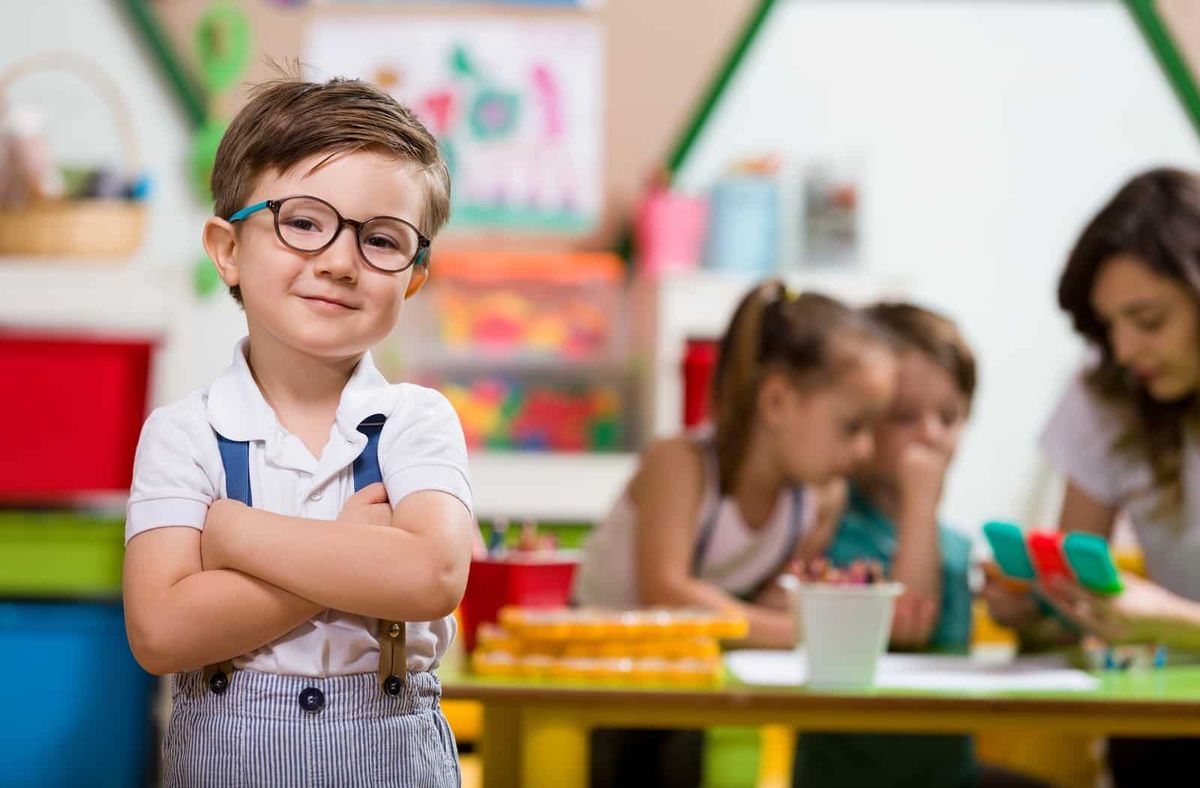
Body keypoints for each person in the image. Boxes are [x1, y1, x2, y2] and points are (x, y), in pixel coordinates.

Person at [121, 76, 475, 787]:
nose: (341, 261)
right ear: (227, 249)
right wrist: (352, 553)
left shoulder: (416, 420)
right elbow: (161, 632)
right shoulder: (183, 434)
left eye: (381, 239)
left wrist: (239, 538)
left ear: (412, 277)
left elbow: (433, 575)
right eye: (304, 222)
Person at [574, 279, 897, 787]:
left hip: (691, 682)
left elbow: (767, 611)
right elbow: (669, 595)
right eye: (852, 426)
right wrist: (807, 633)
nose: (863, 452)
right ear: (777, 402)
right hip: (592, 678)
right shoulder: (679, 464)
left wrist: (799, 625)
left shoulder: (817, 502)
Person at [984, 167, 1200, 786]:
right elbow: (1078, 590)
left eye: (1149, 320)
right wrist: (1033, 603)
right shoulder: (1107, 390)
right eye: (1110, 328)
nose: (1126, 350)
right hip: (1169, 721)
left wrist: (1170, 619)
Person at [794, 303, 1045, 788]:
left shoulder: (952, 544)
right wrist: (920, 502)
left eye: (949, 417)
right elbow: (910, 622)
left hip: (950, 777)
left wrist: (1029, 618)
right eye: (904, 416)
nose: (931, 435)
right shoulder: (836, 531)